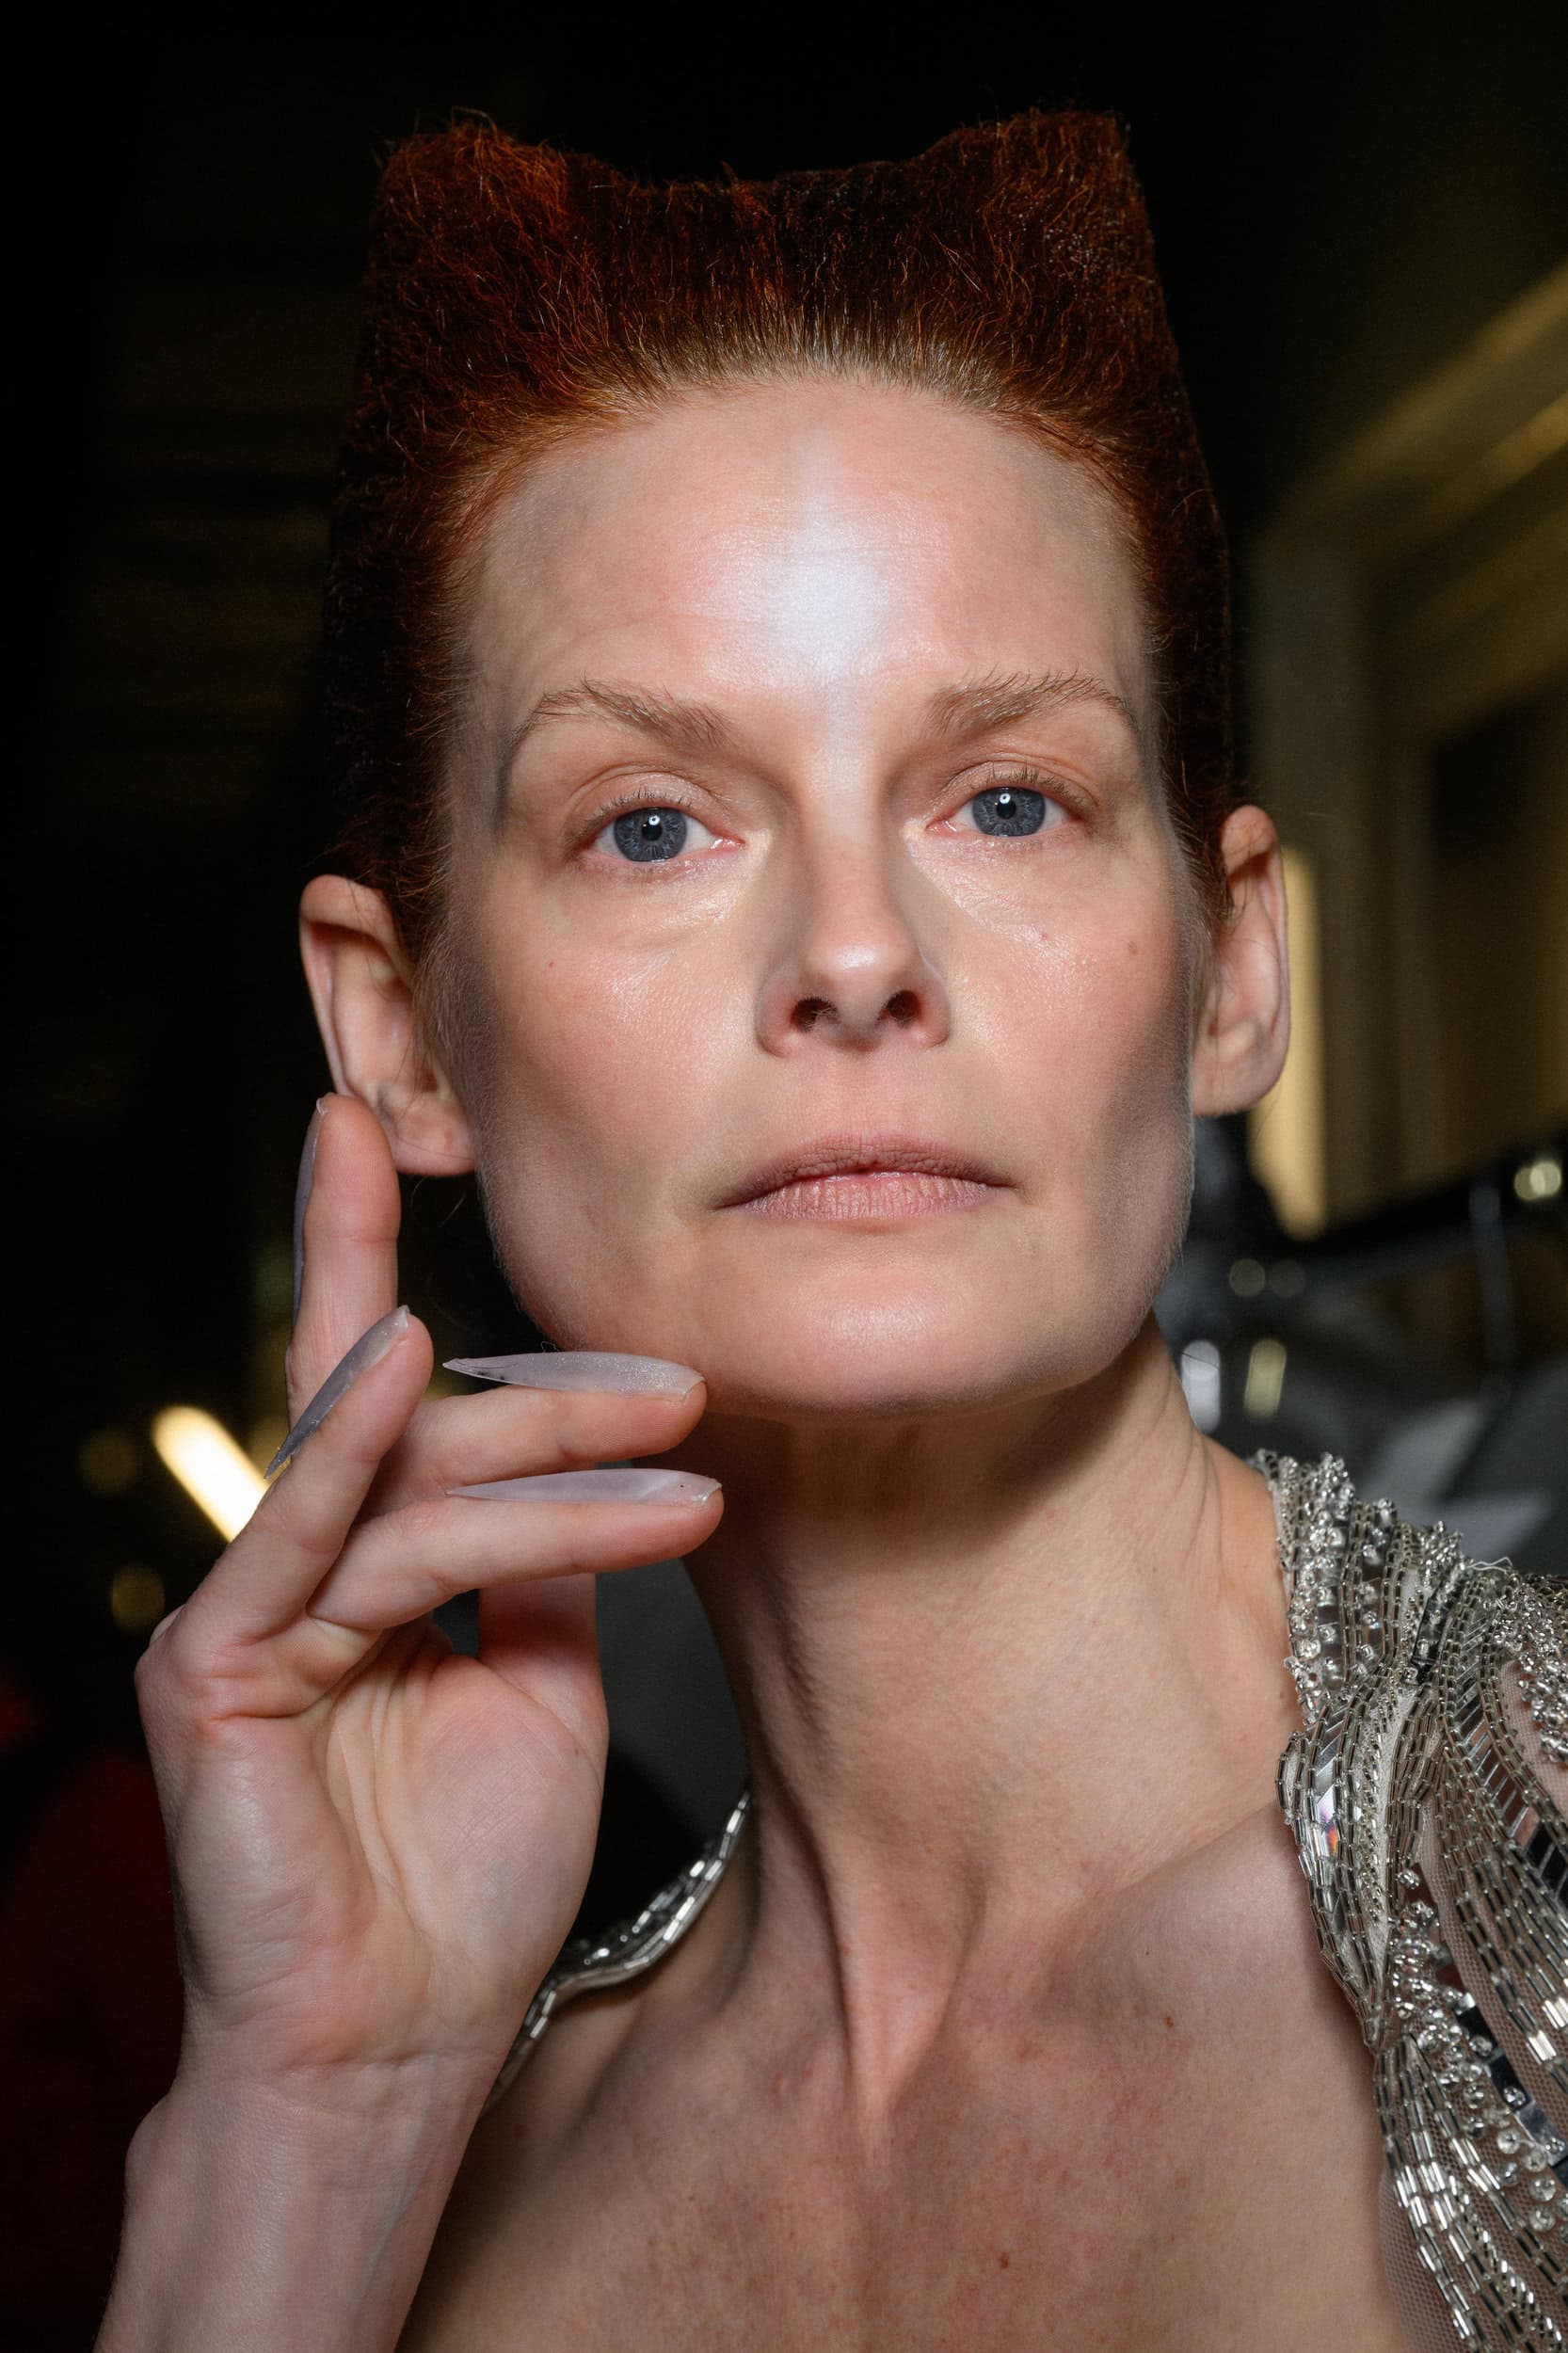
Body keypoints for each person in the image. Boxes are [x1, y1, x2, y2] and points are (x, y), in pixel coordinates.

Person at [97, 112, 1565, 2351]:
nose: (856, 952)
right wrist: (308, 2123)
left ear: (1230, 965)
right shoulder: (460, 2172)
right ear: (400, 1031)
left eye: (1007, 798)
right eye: (652, 824)